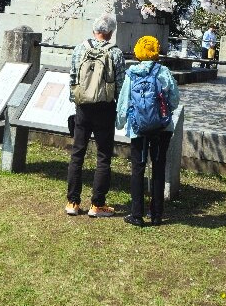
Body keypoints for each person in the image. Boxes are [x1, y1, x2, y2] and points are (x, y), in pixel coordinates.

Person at [65, 13, 125, 217]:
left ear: (94, 30)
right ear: (111, 32)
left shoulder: (80, 48)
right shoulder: (115, 53)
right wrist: (119, 107)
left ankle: (73, 202)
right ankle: (97, 204)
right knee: (103, 156)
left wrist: (76, 102)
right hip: (105, 107)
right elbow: (120, 84)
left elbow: (73, 77)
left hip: (83, 107)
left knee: (77, 153)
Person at [116, 35, 179, 227]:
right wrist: (163, 112)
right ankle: (157, 214)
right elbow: (175, 100)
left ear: (138, 52)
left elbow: (123, 102)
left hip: (138, 127)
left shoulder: (131, 74)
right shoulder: (164, 71)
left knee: (138, 167)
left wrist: (120, 123)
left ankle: (137, 215)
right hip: (162, 127)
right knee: (158, 167)